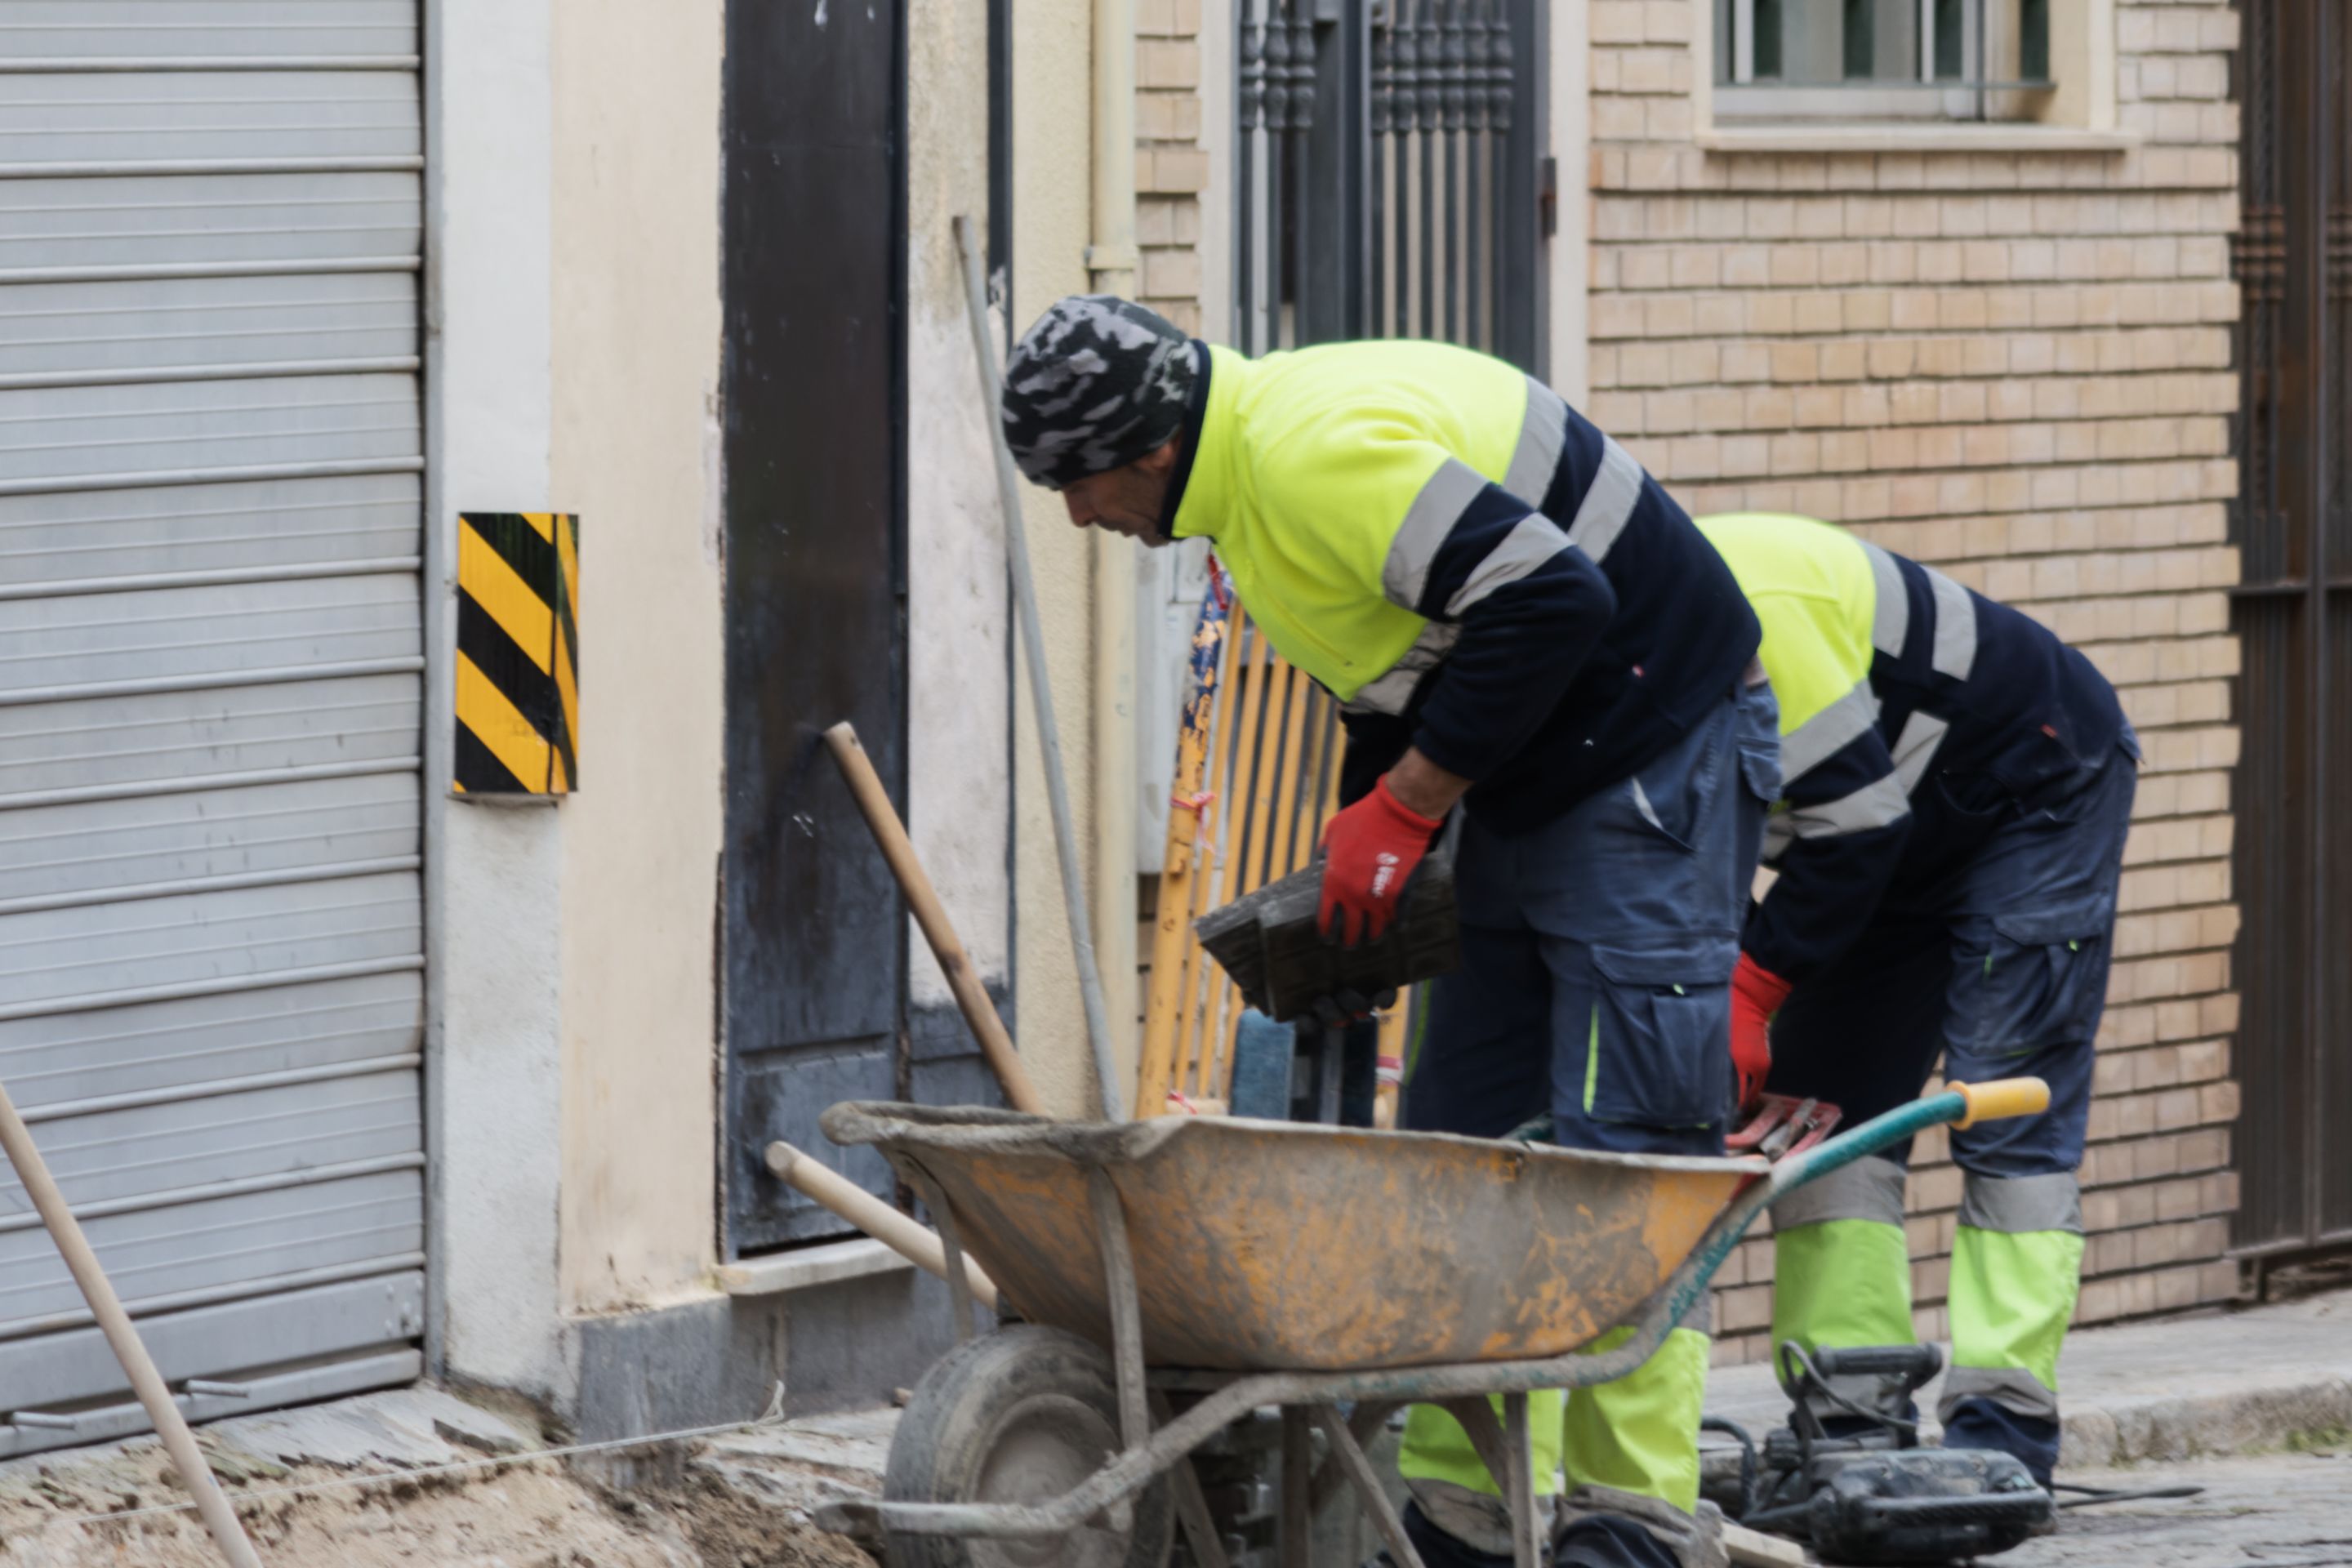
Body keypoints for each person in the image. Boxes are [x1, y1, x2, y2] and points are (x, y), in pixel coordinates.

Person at [1000, 296, 1777, 1568]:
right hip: (1538, 760)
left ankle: (1630, 1525)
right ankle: (1464, 1525)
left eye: (1077, 485)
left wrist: (1410, 809)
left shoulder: (1305, 454)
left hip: (1651, 749)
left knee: (1630, 1144)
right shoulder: (1242, 496)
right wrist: (1366, 852)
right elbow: (1408, 665)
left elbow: (1552, 602)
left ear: (1146, 447)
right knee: (1464, 1153)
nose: (1081, 518)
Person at [1695, 511, 2136, 1489]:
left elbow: (1853, 823)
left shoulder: (1752, 605)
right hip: (1872, 836)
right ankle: (1850, 1417)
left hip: (2036, 786)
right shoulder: (1622, 659)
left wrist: (1752, 985)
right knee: (1821, 1113)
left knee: (2004, 1099)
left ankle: (2003, 1428)